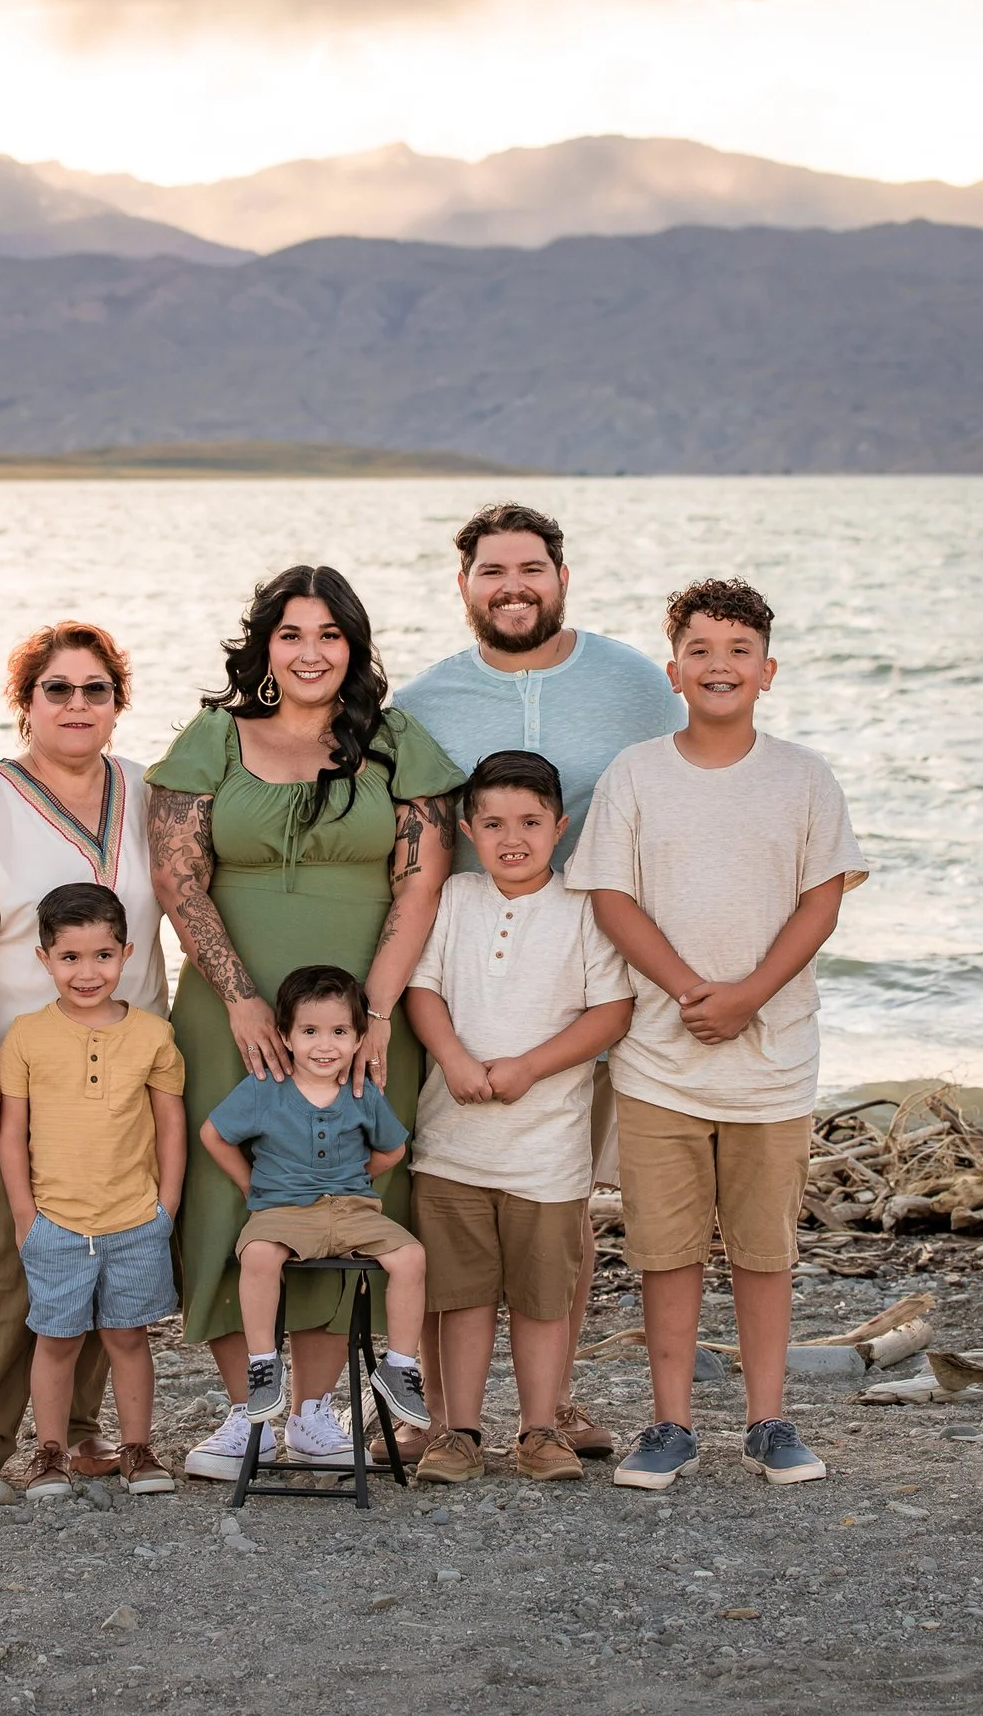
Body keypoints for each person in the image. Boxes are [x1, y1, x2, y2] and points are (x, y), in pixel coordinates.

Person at [147, 566, 464, 1477]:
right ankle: (246, 1409)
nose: (312, 652)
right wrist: (240, 995)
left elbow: (422, 880)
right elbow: (178, 879)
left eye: (330, 634)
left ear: (355, 646)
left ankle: (318, 1414)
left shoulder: (397, 742)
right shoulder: (214, 736)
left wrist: (375, 1011)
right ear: (265, 646)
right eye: (292, 633)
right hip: (228, 1009)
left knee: (347, 1191)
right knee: (228, 1194)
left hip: (363, 1016)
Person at [567, 577, 870, 1492]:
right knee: (666, 1249)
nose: (719, 666)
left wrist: (750, 995)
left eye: (739, 651)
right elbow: (611, 897)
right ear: (673, 670)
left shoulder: (802, 777)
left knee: (764, 1248)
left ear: (768, 671)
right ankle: (669, 1425)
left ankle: (770, 1421)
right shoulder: (636, 775)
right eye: (700, 650)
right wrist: (694, 989)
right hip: (660, 1059)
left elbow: (823, 901)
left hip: (774, 1060)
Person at [395, 501, 683, 1460]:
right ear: (465, 584)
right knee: (466, 1226)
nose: (512, 586)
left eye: (530, 569)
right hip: (467, 969)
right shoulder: (428, 701)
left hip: (590, 959)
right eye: (491, 571)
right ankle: (457, 1421)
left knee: (562, 1199)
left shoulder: (637, 684)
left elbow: (678, 792)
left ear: (562, 578)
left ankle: (552, 1407)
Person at [0, 622, 167, 1491]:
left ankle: (80, 1432)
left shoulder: (146, 791)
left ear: (117, 703)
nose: (76, 704)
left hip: (123, 1072)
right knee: (7, 1246)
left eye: (94, 689)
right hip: (15, 1073)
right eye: (56, 689)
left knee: (109, 1243)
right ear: (25, 703)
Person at [399, 751, 634, 1483]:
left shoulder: (583, 907)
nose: (513, 837)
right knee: (460, 1297)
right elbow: (422, 988)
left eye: (531, 823)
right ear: (468, 829)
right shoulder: (457, 898)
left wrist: (530, 1066)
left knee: (541, 1299)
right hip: (452, 1146)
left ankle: (540, 1429)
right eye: (494, 822)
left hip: (546, 1154)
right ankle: (458, 1432)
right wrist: (456, 1058)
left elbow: (613, 1011)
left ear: (560, 828)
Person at [0, 883, 187, 1498]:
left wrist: (168, 1206)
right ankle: (50, 1453)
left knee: (128, 1336)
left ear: (127, 954)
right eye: (70, 958)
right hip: (55, 1220)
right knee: (56, 1340)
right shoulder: (26, 1036)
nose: (88, 972)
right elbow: (12, 1133)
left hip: (135, 1218)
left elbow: (169, 1125)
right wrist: (25, 1213)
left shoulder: (155, 1035)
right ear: (44, 959)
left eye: (103, 955)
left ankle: (136, 1447)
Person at [199, 965, 433, 1433]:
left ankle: (401, 1367)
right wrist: (251, 1185)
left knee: (410, 1256)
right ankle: (264, 1364)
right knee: (259, 1254)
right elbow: (214, 1134)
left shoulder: (360, 1091)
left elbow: (392, 1149)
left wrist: (355, 1178)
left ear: (358, 1037)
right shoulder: (266, 1089)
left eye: (339, 1032)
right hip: (282, 1210)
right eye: (310, 1031)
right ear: (284, 1036)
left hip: (352, 1209)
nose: (325, 1045)